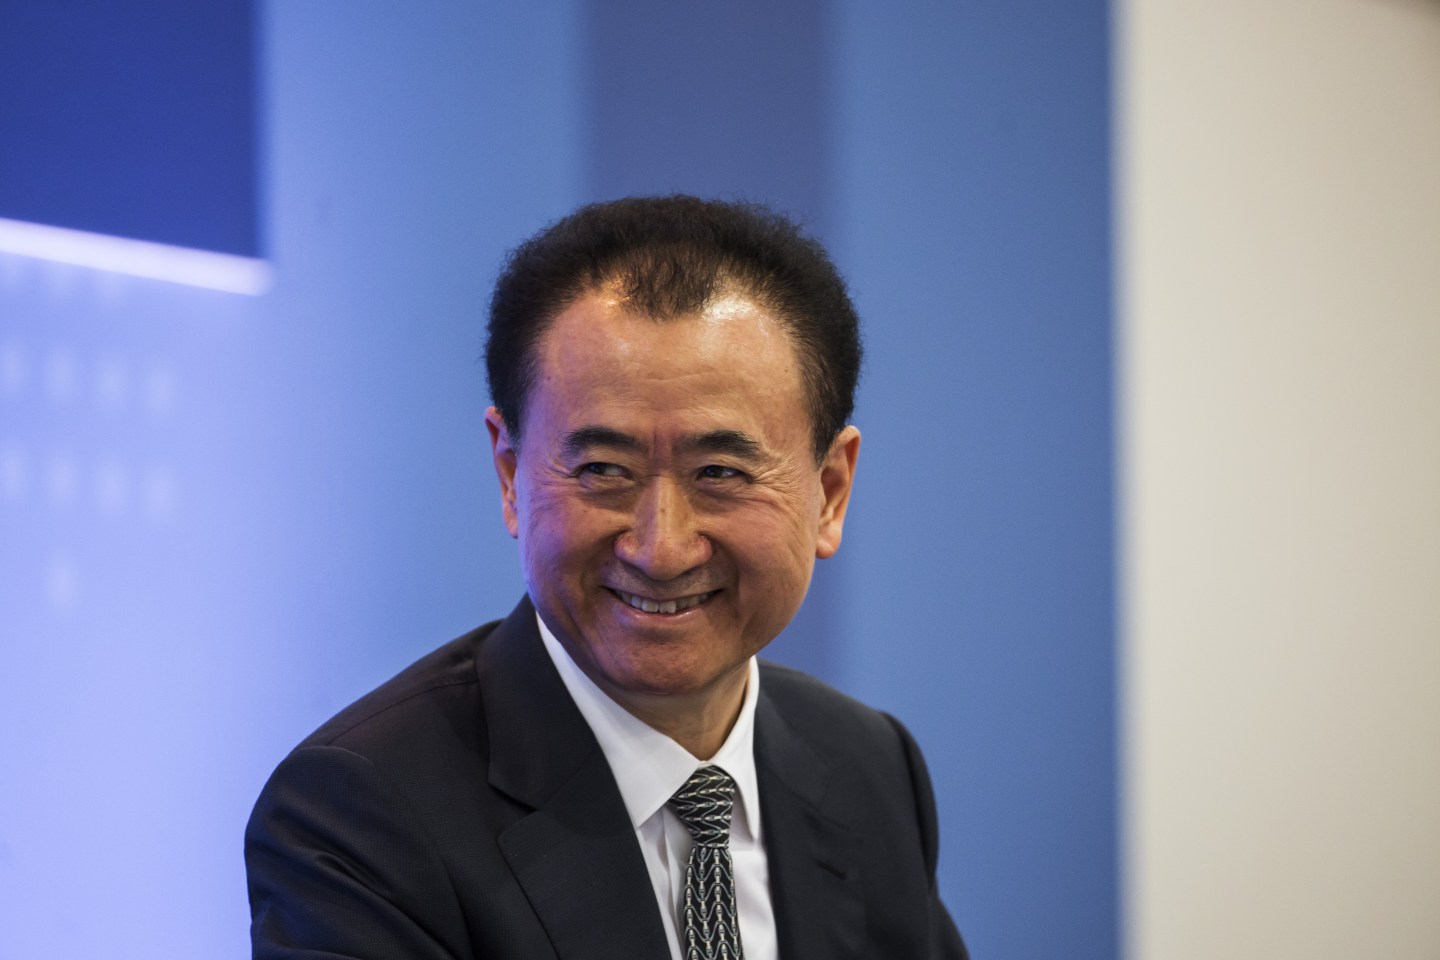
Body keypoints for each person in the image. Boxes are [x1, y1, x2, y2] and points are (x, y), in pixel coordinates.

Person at [245, 196, 969, 960]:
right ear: (510, 474)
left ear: (830, 491)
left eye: (719, 472)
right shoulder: (362, 815)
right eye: (602, 470)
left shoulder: (869, 768)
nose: (661, 549)